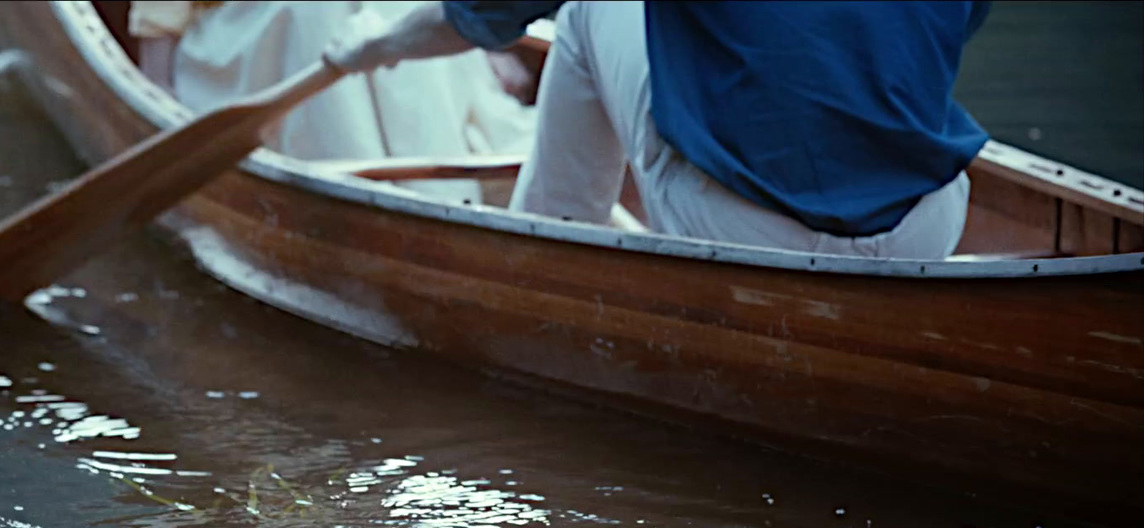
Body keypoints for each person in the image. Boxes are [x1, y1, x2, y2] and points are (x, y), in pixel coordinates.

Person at [325, 1, 995, 260]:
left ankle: (553, 248)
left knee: (585, 8)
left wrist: (370, 44)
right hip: (928, 225)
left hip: (746, 229)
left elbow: (481, 15)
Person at [129, 1, 539, 204]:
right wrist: (158, 87)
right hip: (246, 38)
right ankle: (353, 188)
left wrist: (485, 44)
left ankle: (437, 195)